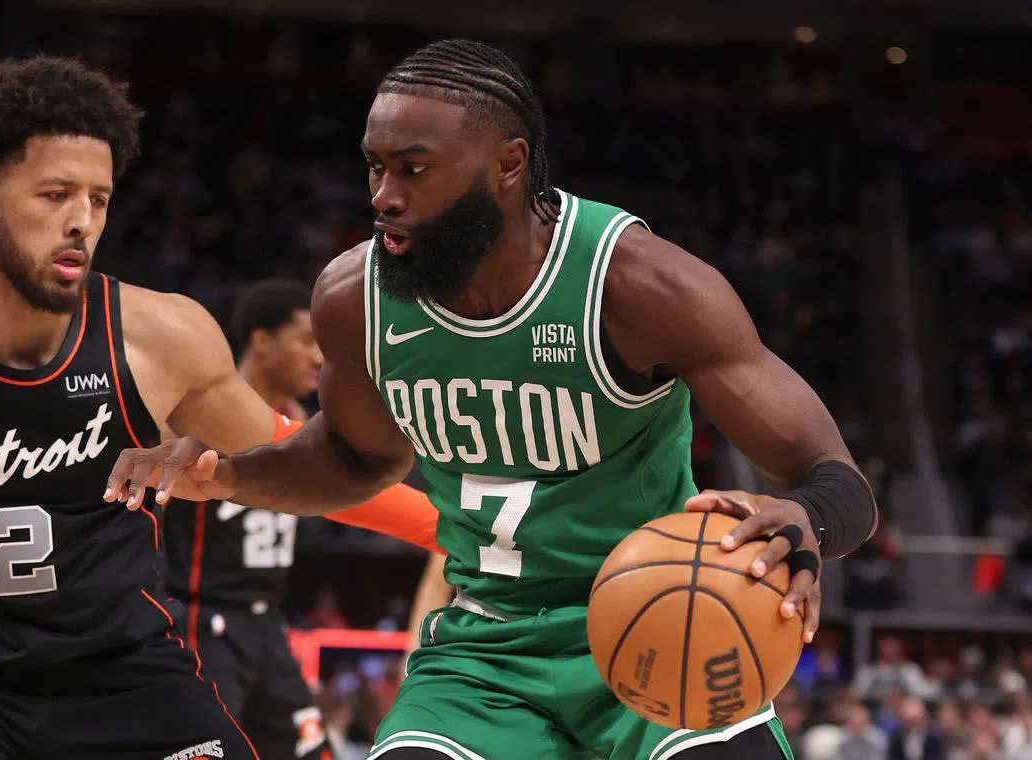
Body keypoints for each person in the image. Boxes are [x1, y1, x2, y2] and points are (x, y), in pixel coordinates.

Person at [107, 39, 879, 760]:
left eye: (413, 170)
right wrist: (236, 474)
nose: (384, 196)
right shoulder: (354, 298)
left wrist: (806, 519)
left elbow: (835, 478)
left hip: (669, 619)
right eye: (374, 168)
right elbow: (357, 460)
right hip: (484, 654)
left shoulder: (638, 286)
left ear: (508, 165)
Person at [0, 55, 441, 760]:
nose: (81, 221)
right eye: (55, 194)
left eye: (98, 198)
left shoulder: (159, 337)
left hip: (129, 680)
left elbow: (304, 464)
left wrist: (456, 530)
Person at [163, 277, 439, 759]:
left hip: (269, 625)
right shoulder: (198, 414)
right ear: (262, 340)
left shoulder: (305, 429)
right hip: (201, 622)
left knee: (316, 752)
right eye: (306, 341)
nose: (318, 358)